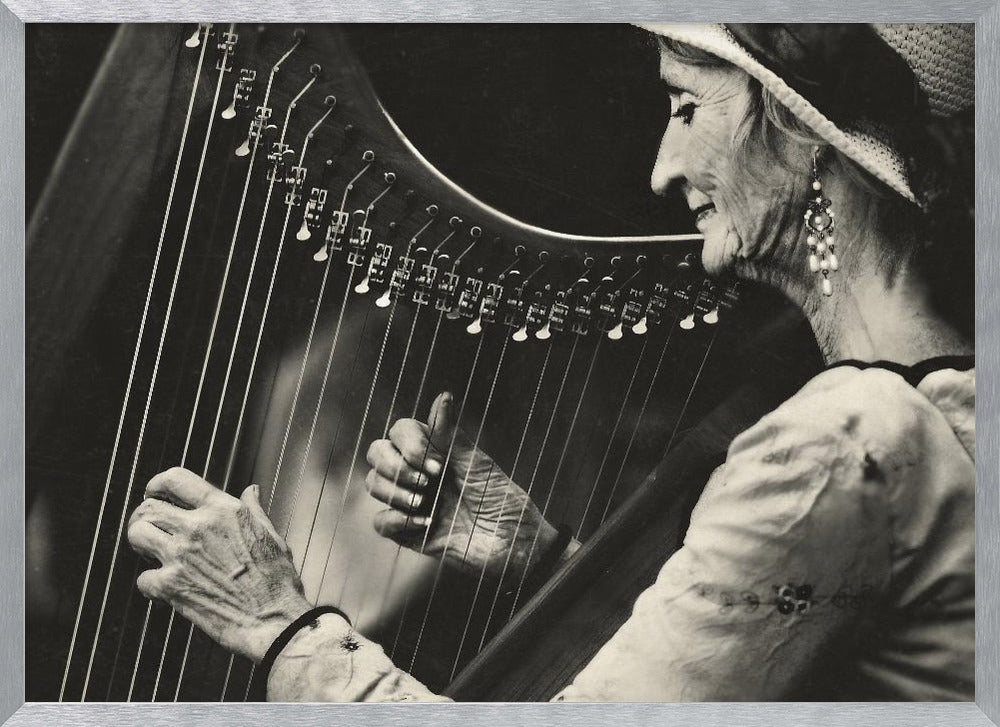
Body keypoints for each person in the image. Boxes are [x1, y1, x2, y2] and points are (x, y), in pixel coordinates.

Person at [126, 23, 975, 701]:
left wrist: (279, 624)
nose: (663, 170)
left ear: (807, 137)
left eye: (685, 107)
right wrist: (546, 559)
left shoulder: (840, 444)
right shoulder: (939, 404)